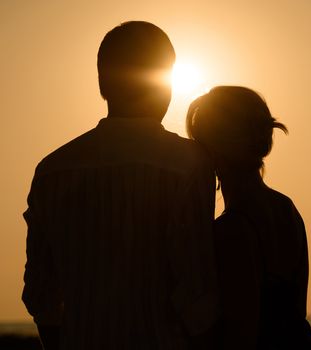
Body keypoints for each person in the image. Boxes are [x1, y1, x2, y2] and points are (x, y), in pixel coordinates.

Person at [22, 21, 219, 350]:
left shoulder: (51, 171)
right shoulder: (189, 163)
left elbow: (41, 294)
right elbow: (196, 290)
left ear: (102, 83)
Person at [186, 86, 311, 349]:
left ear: (212, 151)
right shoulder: (287, 209)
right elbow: (297, 311)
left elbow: (239, 334)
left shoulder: (231, 230)